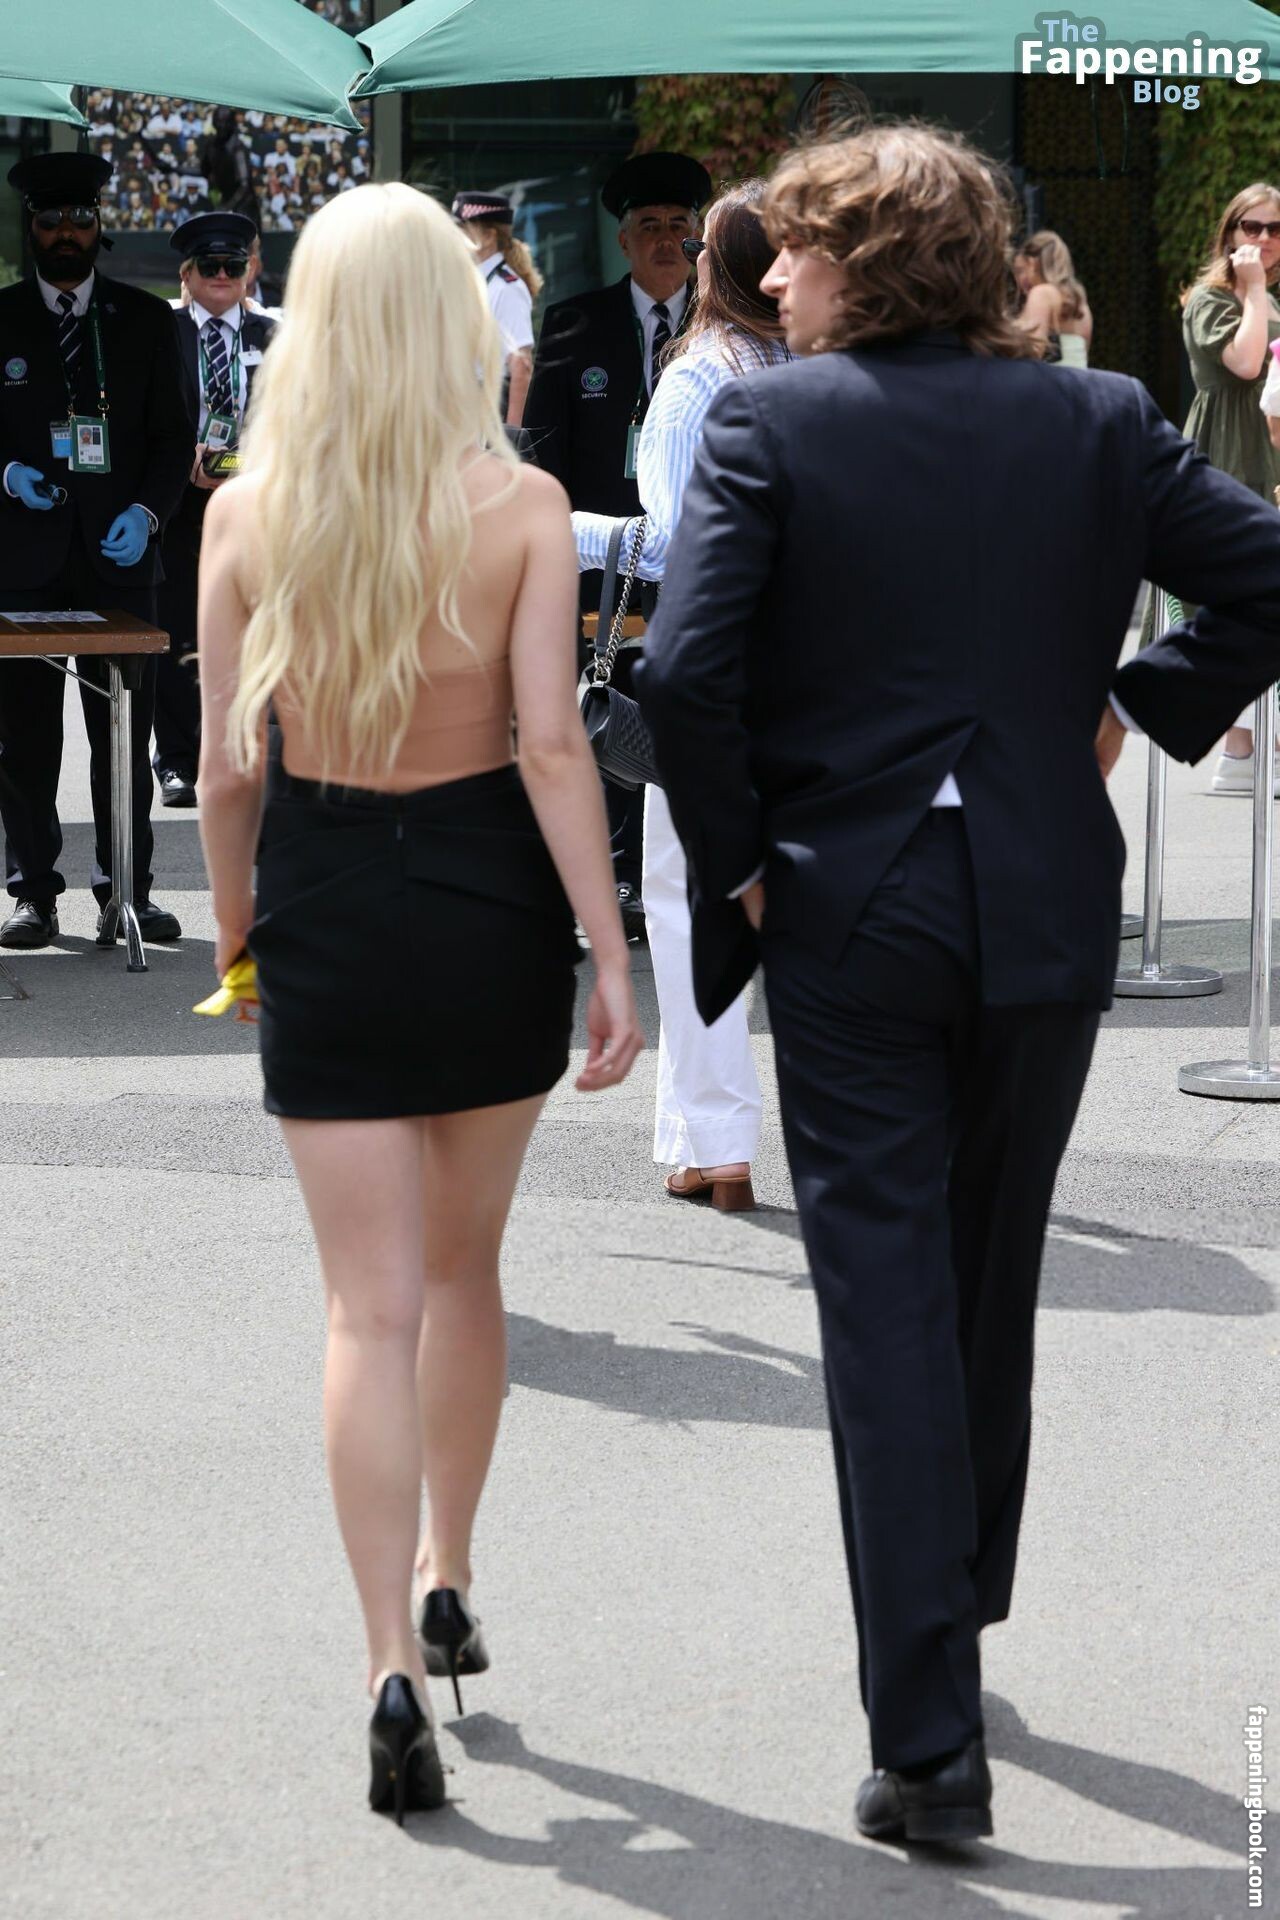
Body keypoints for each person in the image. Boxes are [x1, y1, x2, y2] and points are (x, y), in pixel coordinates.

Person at [637, 124, 1280, 1848]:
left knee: (885, 1306)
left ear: (864, 260)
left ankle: (929, 1738)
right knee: (985, 1284)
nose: (770, 272)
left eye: (794, 244)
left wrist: (741, 861)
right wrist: (1134, 706)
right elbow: (1268, 574)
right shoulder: (1097, 416)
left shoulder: (772, 420)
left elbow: (685, 674)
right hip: (1042, 899)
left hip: (849, 906)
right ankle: (958, 1609)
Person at [196, 182, 644, 1821]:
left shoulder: (248, 514)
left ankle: (386, 1661)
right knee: (463, 1274)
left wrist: (238, 939)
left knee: (363, 1311)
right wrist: (608, 948)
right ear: (458, 321)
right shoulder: (521, 505)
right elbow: (550, 745)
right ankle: (453, 1572)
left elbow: (229, 769)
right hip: (488, 900)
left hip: (321, 890)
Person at [573, 182, 790, 1209]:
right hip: (828, 665)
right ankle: (711, 1137)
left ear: (714, 265)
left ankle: (718, 1140)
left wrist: (558, 526)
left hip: (718, 668)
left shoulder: (701, 370)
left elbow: (670, 545)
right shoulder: (826, 361)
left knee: (691, 898)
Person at [0, 152, 190, 950]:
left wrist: (148, 513)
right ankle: (32, 894)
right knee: (23, 738)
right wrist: (8, 474)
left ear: (100, 226)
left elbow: (173, 437)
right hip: (23, 560)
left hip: (120, 557)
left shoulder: (144, 319)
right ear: (31, 229)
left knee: (124, 734)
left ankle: (127, 893)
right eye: (52, 221)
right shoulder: (1, 318)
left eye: (81, 220)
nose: (67, 234)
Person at [524, 151, 711, 941]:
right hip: (602, 566)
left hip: (698, 562)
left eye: (679, 225)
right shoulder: (575, 323)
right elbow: (541, 453)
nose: (666, 240)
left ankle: (678, 874)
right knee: (603, 715)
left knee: (684, 720)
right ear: (624, 239)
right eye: (649, 226)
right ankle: (611, 877)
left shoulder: (725, 324)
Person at [152, 212, 276, 808]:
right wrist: (186, 462)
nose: (222, 274)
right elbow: (145, 417)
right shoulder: (162, 331)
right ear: (187, 273)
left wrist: (243, 461)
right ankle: (177, 761)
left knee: (253, 632)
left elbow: (295, 420)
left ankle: (240, 753)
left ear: (249, 271)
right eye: (209, 265)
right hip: (178, 504)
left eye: (234, 264)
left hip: (254, 505)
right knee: (176, 628)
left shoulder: (275, 336)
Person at [1167, 182, 1280, 794]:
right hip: (1227, 451)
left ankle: (1252, 749)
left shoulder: (1268, 299)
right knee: (1236, 595)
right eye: (1251, 226)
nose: (1263, 238)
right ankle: (1241, 747)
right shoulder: (1210, 299)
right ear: (1230, 231)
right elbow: (1245, 363)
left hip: (1269, 450)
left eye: (1274, 229)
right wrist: (1255, 289)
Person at [451, 191, 539, 429]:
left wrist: (511, 435)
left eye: (463, 229)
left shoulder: (507, 288)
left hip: (490, 409)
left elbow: (521, 366)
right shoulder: (476, 282)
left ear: (489, 236)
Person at [1012, 228, 1092, 366]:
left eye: (1020, 271)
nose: (1018, 280)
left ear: (1032, 263)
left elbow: (1033, 350)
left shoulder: (1041, 293)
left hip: (1050, 377)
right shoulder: (1081, 304)